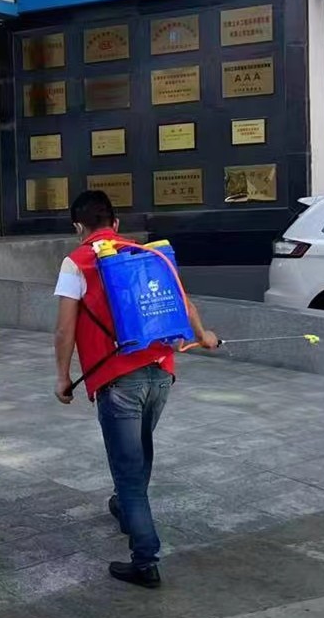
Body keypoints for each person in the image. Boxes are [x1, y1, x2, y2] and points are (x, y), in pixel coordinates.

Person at [53, 190, 219, 588]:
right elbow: (185, 304)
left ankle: (145, 559)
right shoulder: (149, 254)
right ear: (115, 223)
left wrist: (62, 377)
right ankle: (126, 511)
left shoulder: (76, 262)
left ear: (78, 227)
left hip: (117, 380)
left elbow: (64, 329)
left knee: (128, 469)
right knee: (139, 452)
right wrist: (204, 335)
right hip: (161, 373)